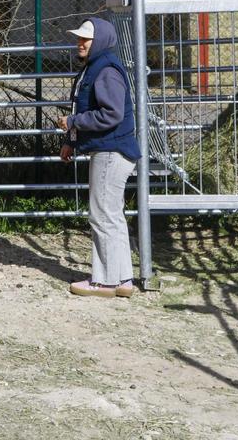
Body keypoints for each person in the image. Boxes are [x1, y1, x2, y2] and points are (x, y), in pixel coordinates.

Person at [57, 17, 139, 299]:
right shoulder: (97, 67)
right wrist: (71, 139)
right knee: (112, 216)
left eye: (86, 39)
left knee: (101, 216)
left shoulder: (104, 71)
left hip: (110, 151)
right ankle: (123, 280)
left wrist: (73, 121)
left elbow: (111, 114)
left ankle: (104, 282)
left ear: (100, 41)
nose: (80, 43)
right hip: (113, 149)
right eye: (79, 38)